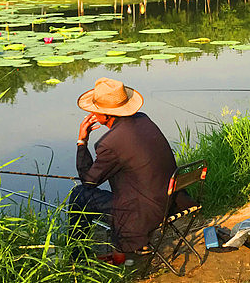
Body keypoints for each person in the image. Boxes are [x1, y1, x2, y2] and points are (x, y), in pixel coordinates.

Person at [68, 77, 182, 265]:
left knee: (79, 195)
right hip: (171, 200)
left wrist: (82, 141)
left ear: (107, 114)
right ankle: (136, 244)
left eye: (96, 110)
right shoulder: (142, 119)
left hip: (144, 213)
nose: (92, 114)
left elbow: (88, 182)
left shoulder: (110, 143)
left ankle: (77, 256)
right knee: (122, 183)